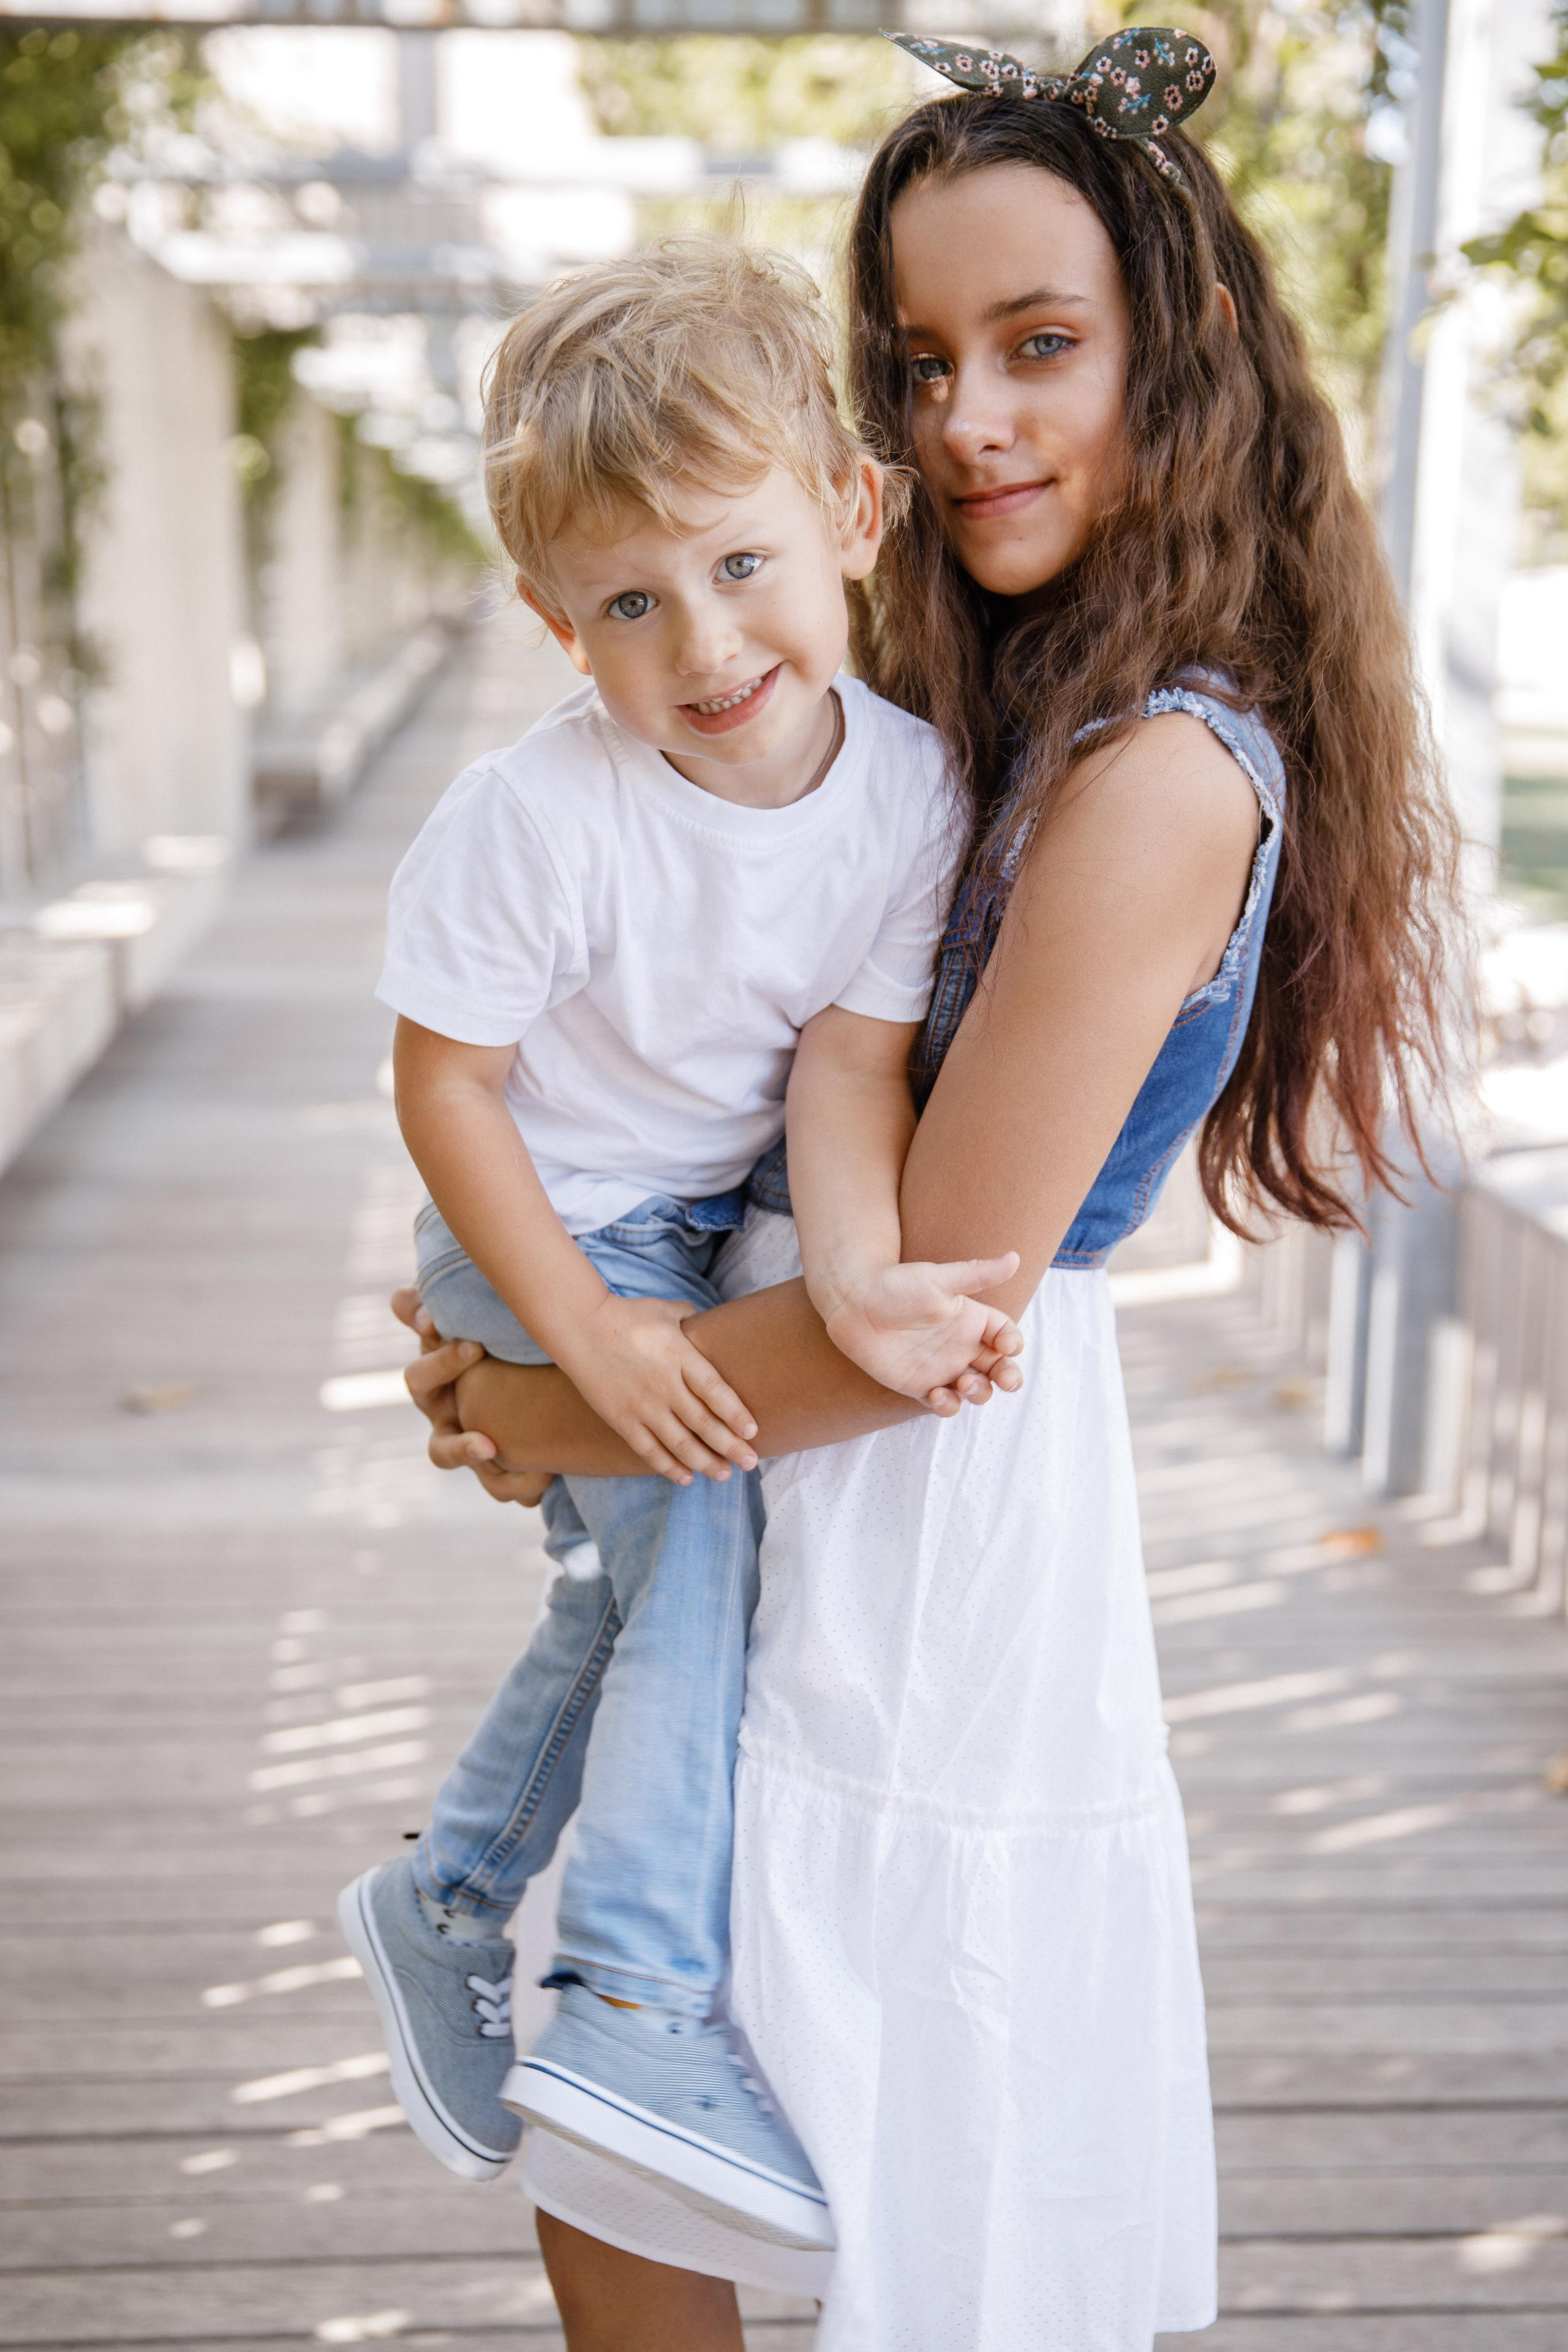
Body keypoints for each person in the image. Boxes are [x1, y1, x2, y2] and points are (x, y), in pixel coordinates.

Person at [401, 26, 1460, 2350]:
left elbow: (945, 1292)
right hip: (773, 1417)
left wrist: (543, 1407)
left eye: (1040, 344)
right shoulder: (990, 706)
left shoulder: (1165, 771)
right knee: (643, 2139)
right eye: (917, 360)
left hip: (904, 1475)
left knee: (770, 2152)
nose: (968, 415)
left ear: (1181, 354)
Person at [337, 238, 1023, 2250]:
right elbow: (449, 1092)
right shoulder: (537, 817)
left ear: (854, 516)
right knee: (696, 1544)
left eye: (739, 564)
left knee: (636, 1590)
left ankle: (450, 1898)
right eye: (631, 603)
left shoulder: (910, 793)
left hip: (700, 1224)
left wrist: (860, 1276)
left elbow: (848, 1065)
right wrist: (594, 1340)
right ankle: (636, 1998)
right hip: (542, 1225)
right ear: (558, 625)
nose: (706, 643)